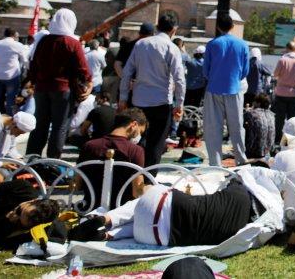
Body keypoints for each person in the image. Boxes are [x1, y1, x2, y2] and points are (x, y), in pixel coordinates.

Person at [91, 167, 281, 247]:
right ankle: (109, 234)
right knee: (152, 217)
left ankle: (106, 219)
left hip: (154, 208)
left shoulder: (238, 191)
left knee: (151, 196)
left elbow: (236, 176)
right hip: (154, 238)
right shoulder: (244, 229)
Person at [119, 15, 185, 168]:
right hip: (161, 102)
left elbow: (127, 72)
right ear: (174, 30)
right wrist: (179, 105)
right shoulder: (172, 48)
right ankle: (148, 179)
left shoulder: (141, 44)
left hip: (139, 100)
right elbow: (179, 79)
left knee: (137, 139)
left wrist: (123, 98)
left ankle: (132, 173)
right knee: (156, 143)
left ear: (157, 26)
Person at [26, 9, 92, 159]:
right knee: (59, 128)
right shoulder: (72, 43)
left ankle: (31, 160)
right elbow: (84, 69)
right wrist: (88, 81)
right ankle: (52, 162)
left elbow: (33, 64)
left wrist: (35, 82)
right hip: (63, 90)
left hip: (41, 89)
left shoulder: (43, 41)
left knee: (39, 126)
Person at [202, 13, 250, 166]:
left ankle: (215, 164)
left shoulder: (211, 44)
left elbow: (205, 71)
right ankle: (241, 160)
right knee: (236, 127)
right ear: (232, 26)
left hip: (214, 89)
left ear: (217, 27)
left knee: (213, 129)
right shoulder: (243, 45)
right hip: (234, 89)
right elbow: (245, 71)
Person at [77, 108, 148, 207]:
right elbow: (137, 192)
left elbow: (77, 185)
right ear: (134, 125)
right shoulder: (135, 150)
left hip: (89, 207)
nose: (139, 136)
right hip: (120, 211)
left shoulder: (89, 145)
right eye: (140, 132)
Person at [0, 180, 60, 250]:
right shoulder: (23, 189)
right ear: (34, 201)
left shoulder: (24, 229)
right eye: (27, 214)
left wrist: (8, 222)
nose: (16, 217)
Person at [272, 41, 295, 145]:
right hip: (294, 93)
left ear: (287, 48)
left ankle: (277, 140)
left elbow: (275, 74)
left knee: (279, 119)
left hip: (281, 92)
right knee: (292, 120)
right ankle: (289, 142)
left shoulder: (282, 60)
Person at [0, 28, 27, 115]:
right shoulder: (18, 45)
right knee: (10, 100)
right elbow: (25, 60)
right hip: (12, 76)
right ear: (14, 36)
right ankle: (9, 119)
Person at [243, 94, 275, 160]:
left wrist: (246, 111)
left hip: (253, 153)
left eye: (254, 101)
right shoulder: (272, 115)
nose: (252, 103)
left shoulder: (251, 113)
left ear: (258, 103)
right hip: (267, 153)